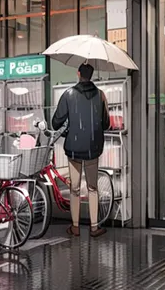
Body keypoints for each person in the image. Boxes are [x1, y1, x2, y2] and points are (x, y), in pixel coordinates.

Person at [52, 62, 110, 238]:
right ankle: (94, 227)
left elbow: (56, 123)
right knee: (92, 187)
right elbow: (106, 124)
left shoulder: (68, 94)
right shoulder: (100, 95)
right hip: (93, 148)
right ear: (91, 75)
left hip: (74, 149)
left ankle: (75, 226)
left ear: (78, 74)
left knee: (74, 188)